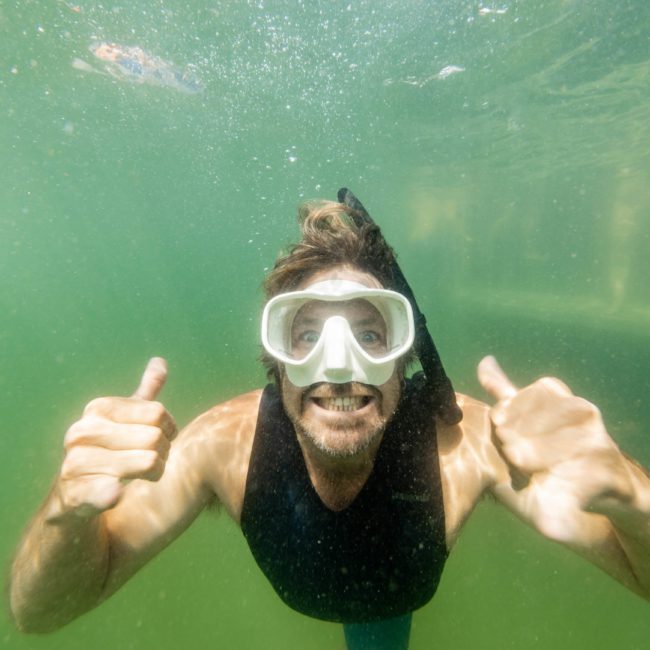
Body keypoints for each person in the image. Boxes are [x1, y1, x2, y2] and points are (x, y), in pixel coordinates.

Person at [8, 190, 650, 650]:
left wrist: (630, 498)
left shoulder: (474, 443)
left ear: (406, 357)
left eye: (372, 335)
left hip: (395, 597)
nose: (339, 368)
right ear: (276, 360)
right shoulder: (217, 447)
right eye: (307, 335)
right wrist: (67, 512)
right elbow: (38, 615)